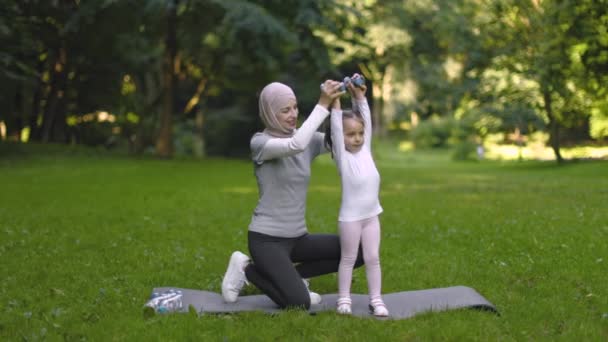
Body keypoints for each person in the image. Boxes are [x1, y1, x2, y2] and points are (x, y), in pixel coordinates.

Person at [221, 79, 364, 310]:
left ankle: (290, 279)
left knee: (359, 250)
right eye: (285, 110)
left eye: (295, 107)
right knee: (299, 303)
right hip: (266, 240)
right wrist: (322, 104)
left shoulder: (306, 139)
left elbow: (343, 140)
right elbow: (294, 145)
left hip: (297, 239)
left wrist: (354, 100)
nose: (293, 114)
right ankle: (246, 268)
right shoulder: (260, 143)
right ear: (269, 112)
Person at [324, 74, 389, 317]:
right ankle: (344, 299)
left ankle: (376, 299)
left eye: (360, 134)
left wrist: (359, 96)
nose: (358, 138)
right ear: (342, 137)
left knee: (373, 258)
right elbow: (337, 127)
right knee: (349, 258)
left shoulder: (366, 150)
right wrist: (337, 104)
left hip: (372, 216)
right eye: (351, 135)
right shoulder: (344, 157)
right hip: (351, 218)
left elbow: (366, 120)